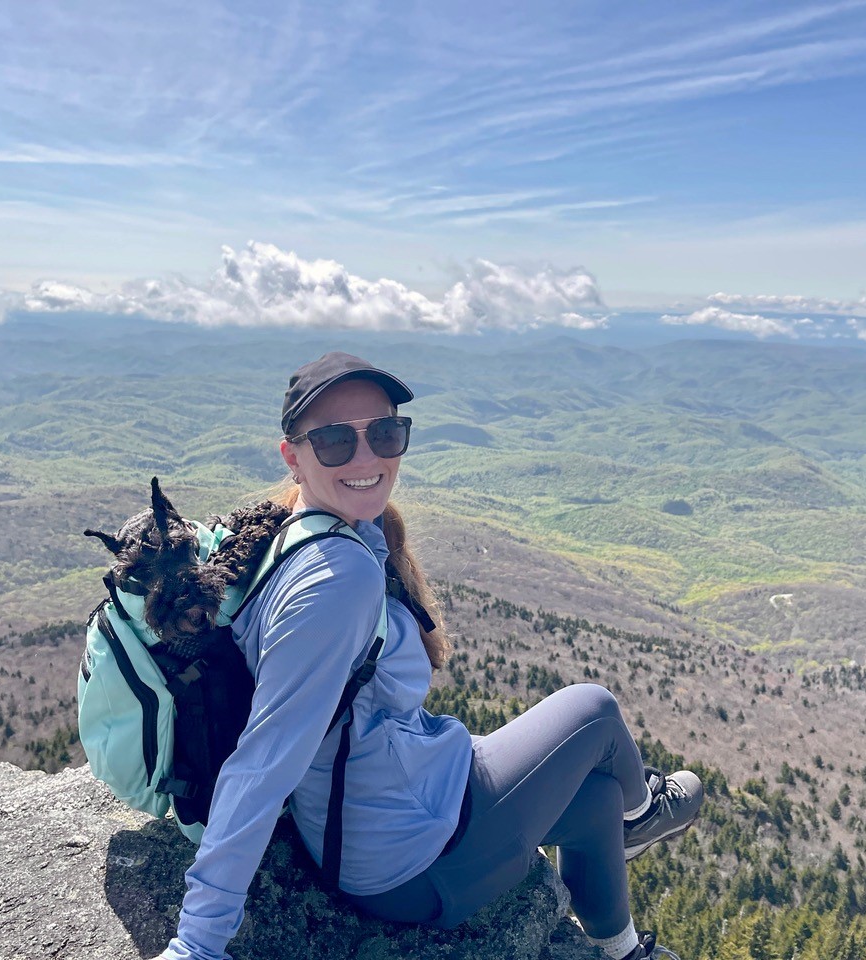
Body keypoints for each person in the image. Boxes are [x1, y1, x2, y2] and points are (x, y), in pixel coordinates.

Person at [158, 351, 703, 960]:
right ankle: (643, 812)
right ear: (293, 456)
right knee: (595, 710)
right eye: (336, 441)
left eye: (385, 433)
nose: (366, 457)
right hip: (409, 864)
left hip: (383, 816)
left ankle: (622, 947)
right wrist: (197, 942)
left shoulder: (297, 532)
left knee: (593, 796)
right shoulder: (337, 580)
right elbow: (264, 762)